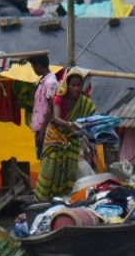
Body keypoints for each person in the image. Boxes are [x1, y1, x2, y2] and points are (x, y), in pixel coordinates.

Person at [35, 68, 96, 201]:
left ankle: (65, 199)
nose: (76, 88)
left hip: (72, 139)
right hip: (55, 138)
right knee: (50, 169)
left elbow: (92, 118)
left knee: (70, 170)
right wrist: (70, 125)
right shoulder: (59, 97)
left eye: (79, 85)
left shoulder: (84, 102)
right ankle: (43, 200)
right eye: (73, 85)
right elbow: (56, 118)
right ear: (67, 85)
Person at [28, 55, 59, 160]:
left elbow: (51, 109)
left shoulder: (51, 82)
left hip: (45, 129)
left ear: (39, 66)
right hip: (40, 127)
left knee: (46, 158)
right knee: (41, 157)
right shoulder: (43, 81)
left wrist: (42, 131)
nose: (34, 70)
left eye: (33, 67)